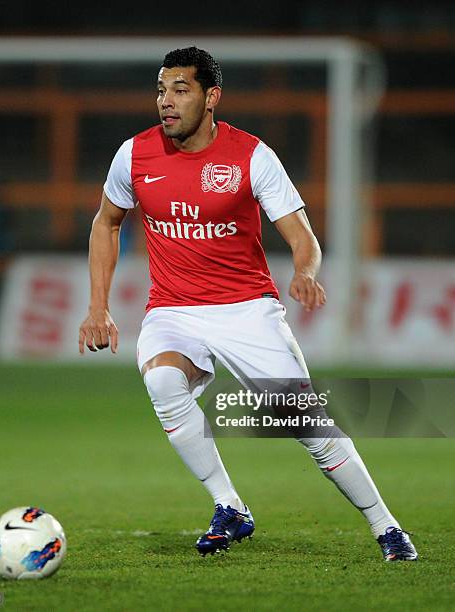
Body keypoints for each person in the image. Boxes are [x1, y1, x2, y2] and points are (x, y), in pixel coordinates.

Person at [79, 47, 417, 562]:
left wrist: (304, 273)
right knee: (164, 381)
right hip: (173, 309)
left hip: (246, 310)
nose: (166, 103)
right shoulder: (134, 154)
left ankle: (387, 526)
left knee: (310, 428)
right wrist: (97, 308)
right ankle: (229, 506)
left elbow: (303, 237)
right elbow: (106, 222)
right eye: (161, 91)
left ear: (211, 96)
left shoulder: (251, 156)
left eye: (180, 91)